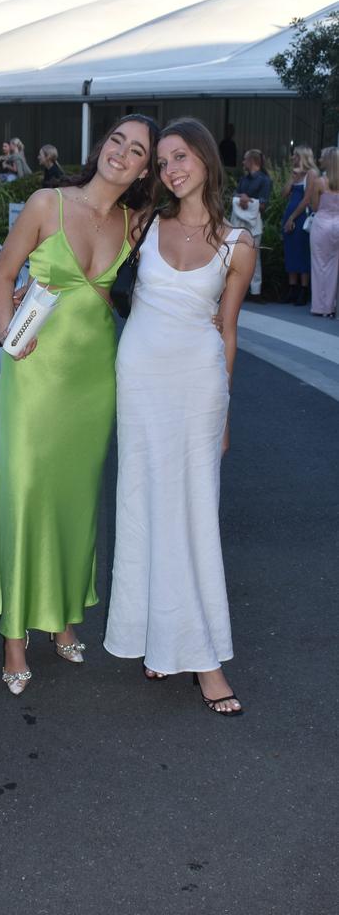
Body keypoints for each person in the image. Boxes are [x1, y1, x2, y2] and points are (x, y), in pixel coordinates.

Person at [0, 115, 159, 695]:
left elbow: (193, 236)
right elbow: (3, 276)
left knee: (77, 500)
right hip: (32, 373)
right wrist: (11, 336)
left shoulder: (138, 222)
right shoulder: (45, 203)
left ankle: (63, 619)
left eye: (136, 152)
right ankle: (13, 635)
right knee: (25, 493)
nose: (121, 155)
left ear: (144, 170)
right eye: (116, 142)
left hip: (92, 379)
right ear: (101, 145)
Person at [104, 117, 255, 716]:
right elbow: (89, 264)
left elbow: (228, 331)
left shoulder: (237, 243)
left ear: (204, 160)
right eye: (162, 160)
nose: (171, 168)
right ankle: (155, 638)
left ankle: (205, 659)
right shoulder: (143, 224)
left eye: (180, 156)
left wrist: (224, 414)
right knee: (143, 508)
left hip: (199, 386)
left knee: (194, 512)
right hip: (140, 381)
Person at [231, 149, 272, 300]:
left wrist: (247, 201)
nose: (242, 162)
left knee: (254, 257)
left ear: (252, 161)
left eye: (245, 159)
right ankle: (240, 289)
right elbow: (235, 195)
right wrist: (241, 197)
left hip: (254, 224)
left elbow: (263, 205)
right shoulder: (244, 179)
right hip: (239, 224)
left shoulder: (264, 180)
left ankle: (256, 292)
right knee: (237, 257)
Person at [282, 145, 318, 305]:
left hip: (301, 217)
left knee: (302, 252)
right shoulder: (296, 174)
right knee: (290, 251)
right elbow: (284, 195)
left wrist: (292, 218)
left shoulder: (311, 174)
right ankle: (292, 288)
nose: (292, 158)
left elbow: (307, 199)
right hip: (289, 215)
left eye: (295, 155)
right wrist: (292, 178)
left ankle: (303, 290)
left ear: (302, 157)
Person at [309, 146, 339, 318]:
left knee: (319, 264)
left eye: (322, 157)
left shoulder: (319, 182)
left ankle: (320, 307)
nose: (320, 160)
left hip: (322, 224)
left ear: (328, 161)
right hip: (338, 223)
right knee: (334, 266)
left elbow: (314, 206)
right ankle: (331, 306)